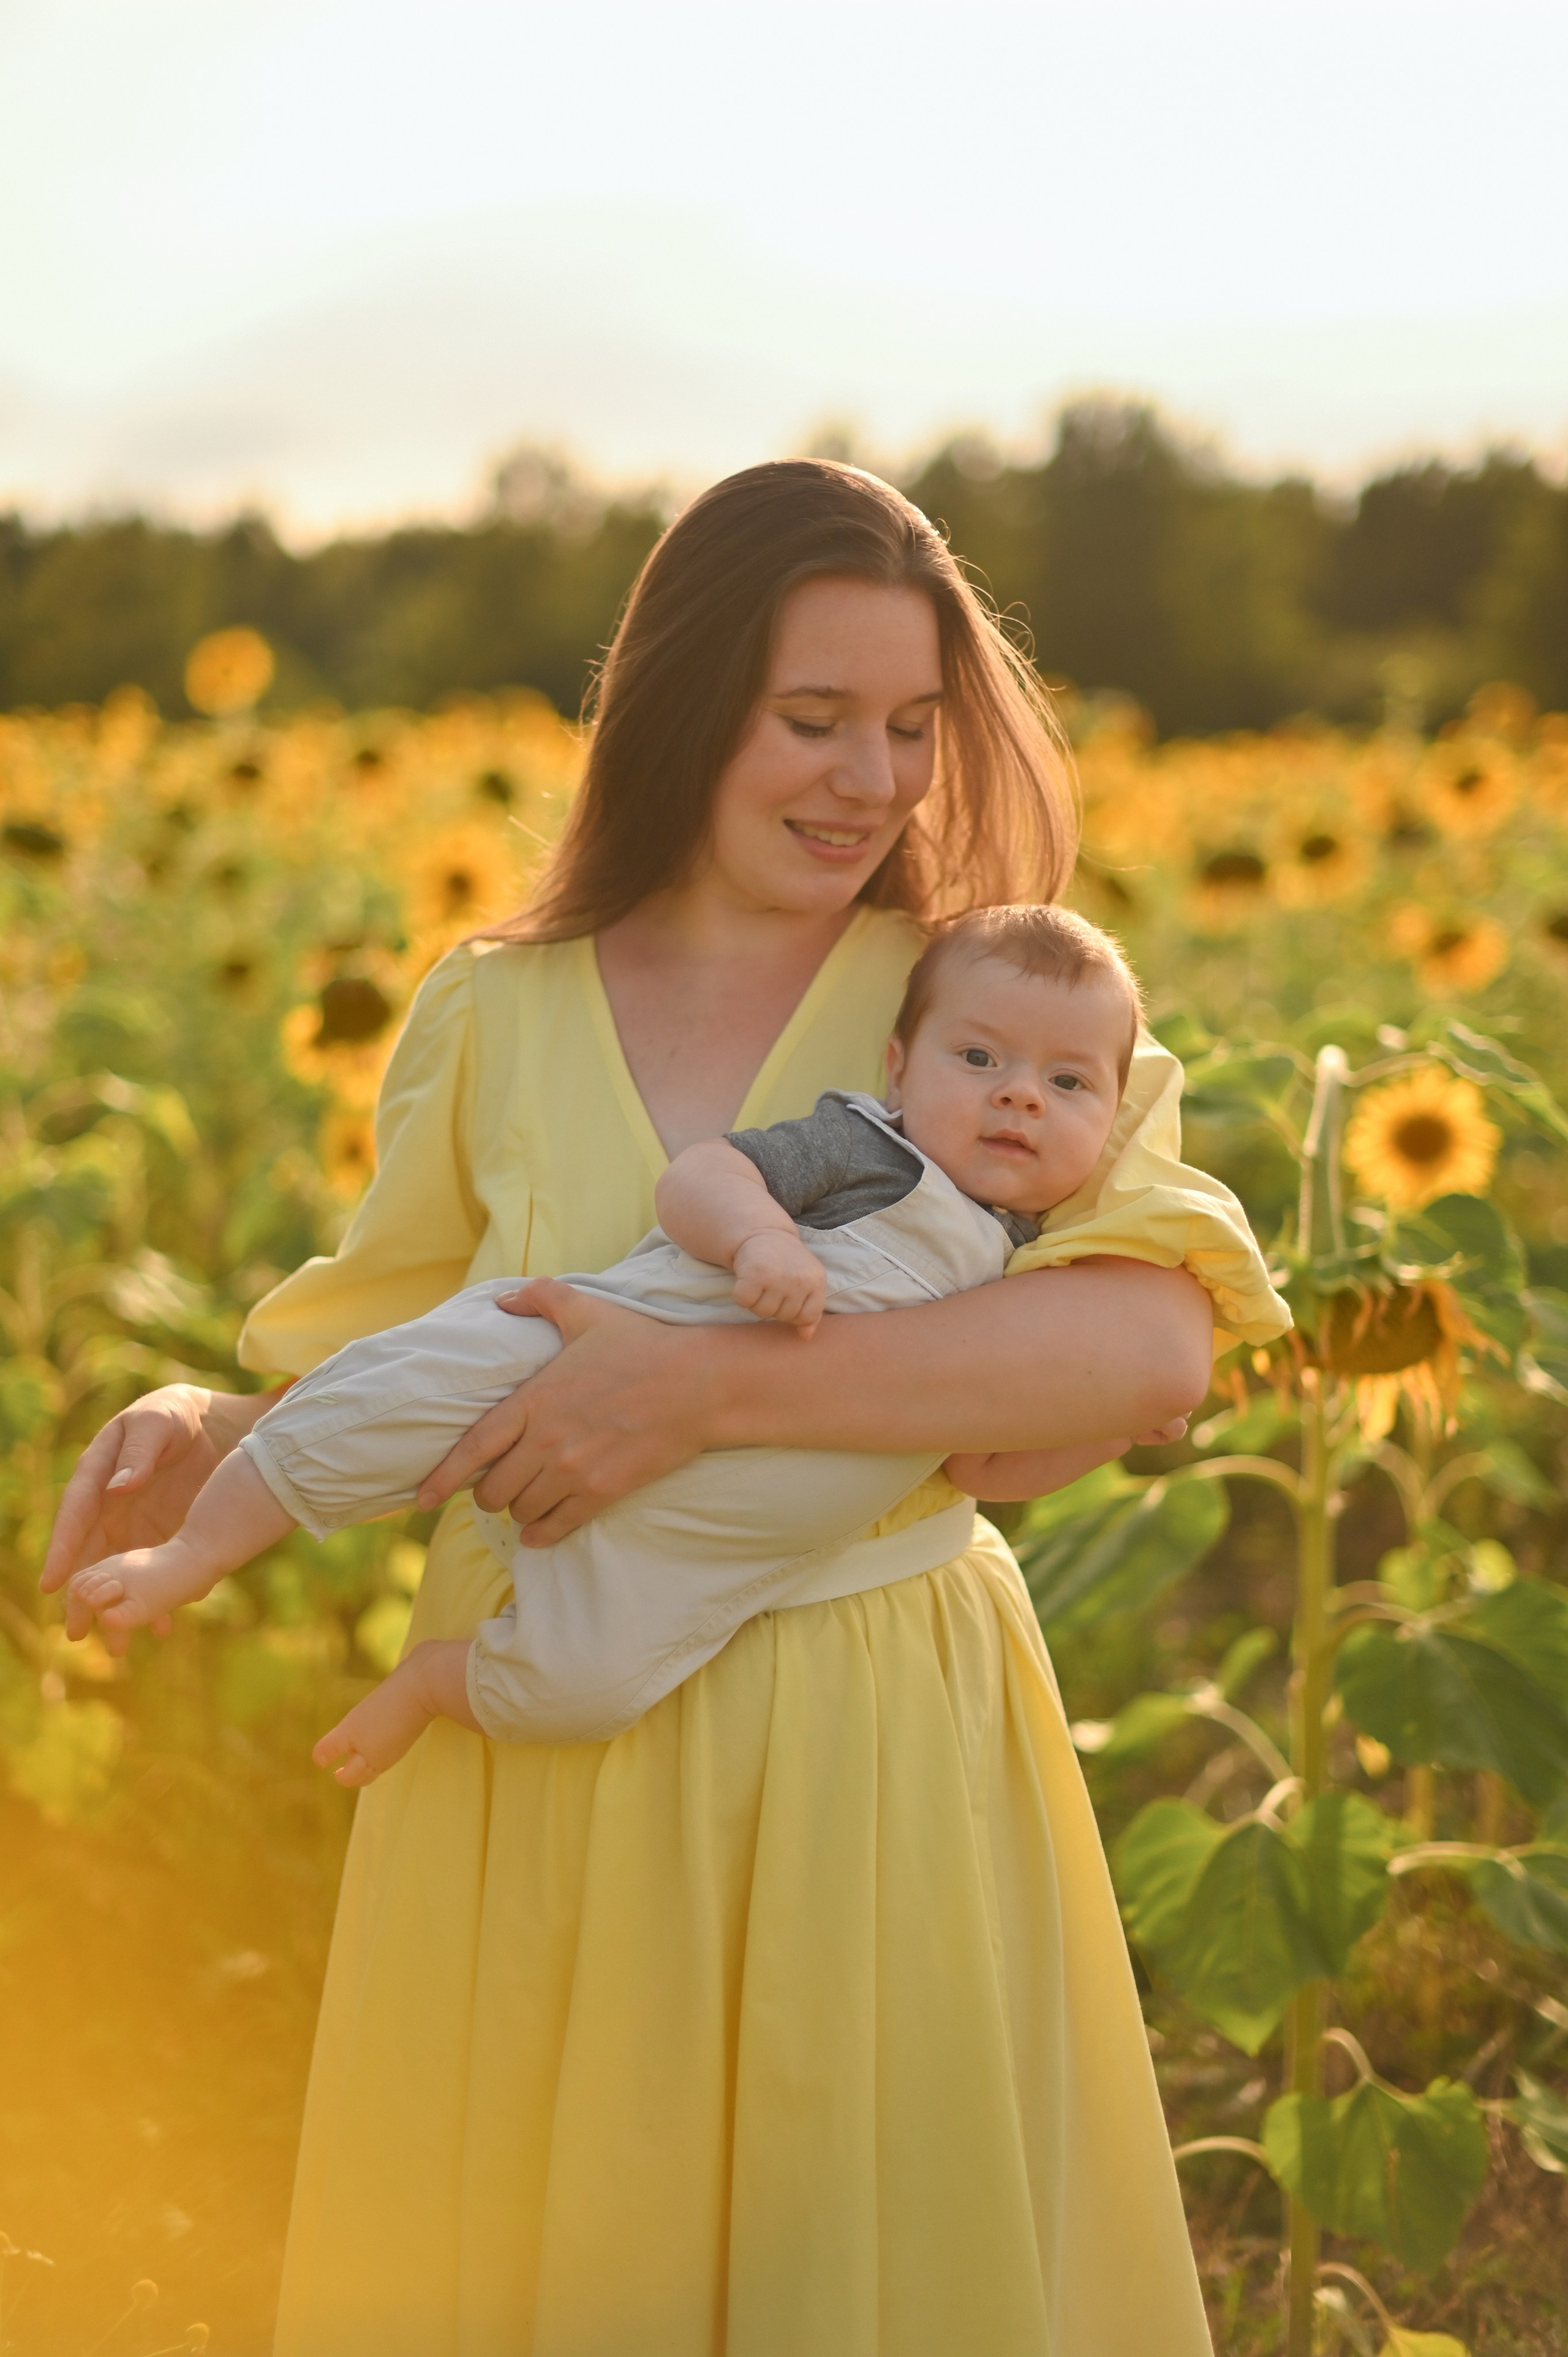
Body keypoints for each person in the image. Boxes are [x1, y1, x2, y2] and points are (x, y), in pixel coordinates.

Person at [44, 462, 1237, 2355]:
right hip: (532, 1737)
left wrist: (699, 1390)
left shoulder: (978, 1008)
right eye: (815, 719)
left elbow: (1150, 1350)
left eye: (914, 727)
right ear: (684, 707)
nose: (875, 779)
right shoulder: (490, 1009)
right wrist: (209, 1420)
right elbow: (399, 1333)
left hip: (866, 1736)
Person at [63, 906, 1287, 1778]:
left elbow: (986, 1466)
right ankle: (195, 1557)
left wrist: (1096, 1425)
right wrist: (759, 1242)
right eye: (981, 1063)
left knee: (577, 1689)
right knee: (423, 1374)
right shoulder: (867, 1147)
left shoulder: (1045, 1239)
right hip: (576, 1357)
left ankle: (441, 1681)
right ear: (898, 1064)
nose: (1022, 1093)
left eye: (1069, 1086)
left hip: (719, 1587)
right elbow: (700, 1179)